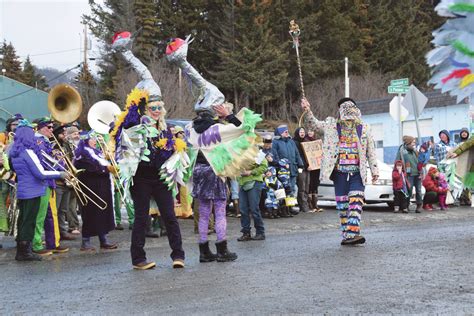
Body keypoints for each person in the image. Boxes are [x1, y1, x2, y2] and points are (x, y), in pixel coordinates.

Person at [113, 31, 186, 270]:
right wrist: (136, 102)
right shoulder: (136, 124)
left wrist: (173, 149)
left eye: (159, 107)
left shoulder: (165, 129)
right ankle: (138, 259)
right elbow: (127, 124)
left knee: (170, 217)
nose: (156, 110)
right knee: (141, 219)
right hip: (141, 178)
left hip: (161, 178)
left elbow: (169, 154)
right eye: (152, 107)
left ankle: (178, 256)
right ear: (146, 108)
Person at [301, 97, 379, 245]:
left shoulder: (364, 127)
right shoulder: (331, 125)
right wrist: (307, 110)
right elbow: (314, 125)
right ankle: (348, 235)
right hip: (338, 172)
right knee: (343, 205)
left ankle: (352, 233)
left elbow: (371, 151)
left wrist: (374, 171)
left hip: (357, 172)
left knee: (356, 201)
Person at [9, 120, 65, 261]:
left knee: (23, 221)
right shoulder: (28, 152)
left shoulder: (14, 152)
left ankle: (21, 251)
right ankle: (25, 252)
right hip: (33, 191)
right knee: (30, 222)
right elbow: (40, 173)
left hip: (23, 190)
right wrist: (60, 174)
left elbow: (14, 169)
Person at [74, 131, 117, 251]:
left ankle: (103, 239)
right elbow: (91, 168)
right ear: (85, 140)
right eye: (92, 139)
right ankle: (85, 241)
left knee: (103, 212)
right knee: (91, 212)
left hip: (102, 186)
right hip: (91, 186)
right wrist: (105, 168)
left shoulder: (97, 152)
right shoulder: (82, 153)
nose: (95, 141)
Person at [32, 117, 69, 255]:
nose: (52, 130)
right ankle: (37, 244)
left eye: (53, 127)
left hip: (48, 182)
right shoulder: (39, 141)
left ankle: (53, 242)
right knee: (41, 215)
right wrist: (59, 166)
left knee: (50, 215)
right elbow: (45, 162)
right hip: (44, 182)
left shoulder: (46, 141)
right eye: (49, 127)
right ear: (41, 128)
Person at [52, 123, 76, 241]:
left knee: (63, 209)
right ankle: (55, 232)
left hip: (67, 181)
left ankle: (62, 231)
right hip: (57, 182)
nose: (65, 135)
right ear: (57, 134)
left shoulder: (65, 145)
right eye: (62, 133)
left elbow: (70, 160)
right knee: (55, 210)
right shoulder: (52, 146)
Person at [237, 153, 268, 241]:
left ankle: (260, 232)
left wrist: (251, 172)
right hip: (243, 183)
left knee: (254, 209)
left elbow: (264, 166)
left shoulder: (257, 152)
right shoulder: (239, 152)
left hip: (254, 182)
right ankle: (246, 233)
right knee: (243, 209)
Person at [272, 125, 304, 200]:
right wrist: (279, 165)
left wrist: (300, 164)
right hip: (281, 172)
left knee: (292, 189)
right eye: (284, 131)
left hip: (292, 169)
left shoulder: (291, 141)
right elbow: (274, 156)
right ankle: (282, 208)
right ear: (280, 133)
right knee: (281, 190)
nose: (287, 132)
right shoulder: (275, 142)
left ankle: (290, 207)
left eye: (287, 131)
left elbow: (297, 153)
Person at [396, 136, 422, 212]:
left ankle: (419, 205)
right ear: (408, 143)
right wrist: (400, 171)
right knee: (408, 190)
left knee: (419, 190)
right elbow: (397, 161)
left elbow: (420, 161)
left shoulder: (415, 151)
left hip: (418, 173)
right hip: (409, 174)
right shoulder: (402, 151)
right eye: (413, 143)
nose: (414, 144)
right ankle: (405, 206)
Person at [63, 126, 81, 234]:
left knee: (77, 203)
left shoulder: (78, 145)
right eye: (74, 134)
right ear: (69, 136)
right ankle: (73, 226)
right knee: (71, 203)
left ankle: (75, 224)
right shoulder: (66, 146)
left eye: (78, 133)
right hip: (70, 176)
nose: (77, 135)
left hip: (79, 176)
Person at [293, 127, 311, 213]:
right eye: (300, 132)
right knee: (302, 186)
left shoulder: (306, 142)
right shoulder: (294, 143)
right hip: (300, 168)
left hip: (308, 167)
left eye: (303, 131)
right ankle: (303, 205)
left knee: (307, 186)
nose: (302, 133)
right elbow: (297, 156)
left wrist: (310, 164)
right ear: (297, 133)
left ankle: (305, 204)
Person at [305, 129, 323, 212]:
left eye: (311, 131)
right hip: (309, 167)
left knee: (315, 184)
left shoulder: (317, 141)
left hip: (317, 167)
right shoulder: (305, 142)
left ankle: (315, 204)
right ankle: (310, 204)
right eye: (309, 131)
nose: (310, 132)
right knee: (310, 185)